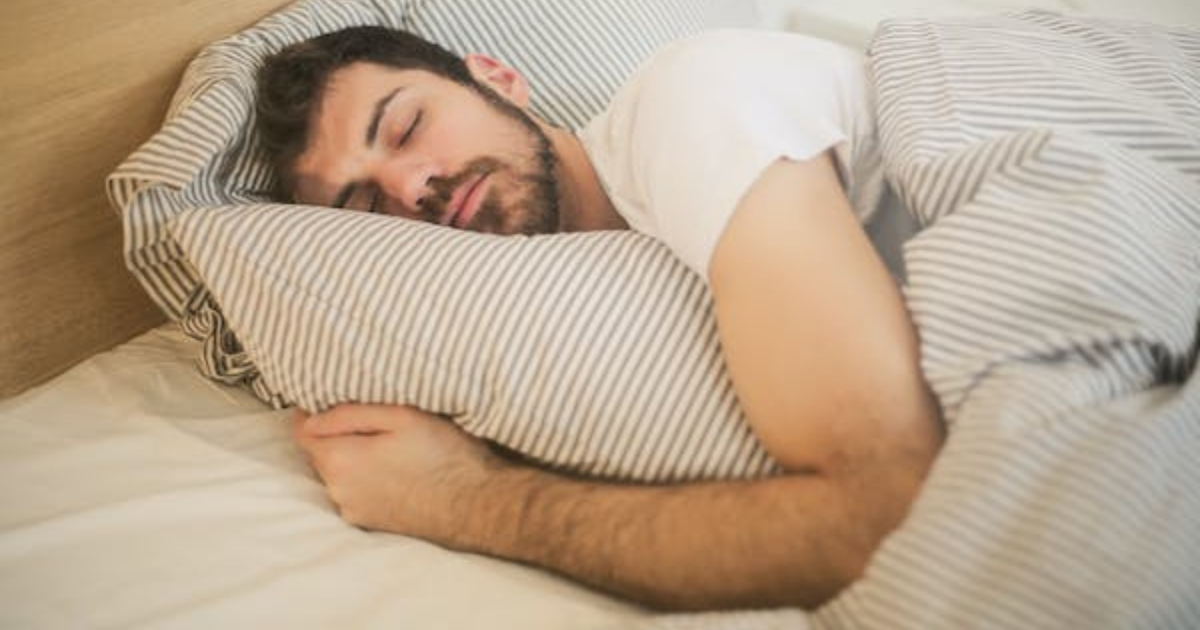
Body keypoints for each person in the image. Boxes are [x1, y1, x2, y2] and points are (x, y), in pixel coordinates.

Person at [255, 25, 943, 611]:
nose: (410, 187)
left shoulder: (690, 105)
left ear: (496, 79)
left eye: (406, 126)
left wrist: (459, 500)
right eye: (367, 208)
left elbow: (887, 517)